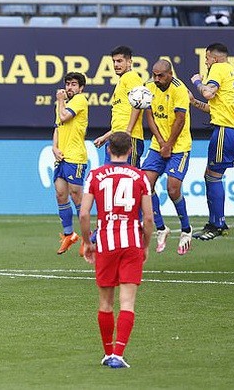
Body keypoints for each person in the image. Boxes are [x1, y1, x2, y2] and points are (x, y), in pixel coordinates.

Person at [79, 131, 154, 369]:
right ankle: (119, 354)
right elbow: (149, 218)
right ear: (131, 151)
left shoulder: (95, 175)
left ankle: (107, 352)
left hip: (106, 242)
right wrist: (146, 244)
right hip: (131, 241)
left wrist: (87, 242)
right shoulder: (140, 177)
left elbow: (83, 213)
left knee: (105, 303)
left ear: (108, 150)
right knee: (128, 303)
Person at [190, 42, 234, 240]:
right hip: (233, 130)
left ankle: (217, 224)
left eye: (206, 59)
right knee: (210, 175)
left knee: (213, 177)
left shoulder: (219, 68)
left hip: (225, 131)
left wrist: (197, 82)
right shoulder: (232, 72)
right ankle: (215, 222)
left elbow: (207, 92)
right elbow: (214, 106)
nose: (205, 63)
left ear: (214, 58)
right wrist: (193, 102)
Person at [142, 60, 193, 254]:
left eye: (160, 75)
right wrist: (161, 143)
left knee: (173, 189)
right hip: (158, 144)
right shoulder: (149, 87)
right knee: (146, 186)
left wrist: (169, 144)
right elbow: (150, 117)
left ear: (170, 74)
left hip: (179, 146)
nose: (156, 79)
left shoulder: (179, 89)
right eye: (154, 74)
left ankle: (186, 230)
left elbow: (180, 120)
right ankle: (162, 228)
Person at [53, 72, 89, 256]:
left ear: (81, 88)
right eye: (68, 84)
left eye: (74, 84)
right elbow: (58, 127)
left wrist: (60, 101)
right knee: (60, 194)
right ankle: (69, 234)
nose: (69, 87)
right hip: (62, 157)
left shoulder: (80, 100)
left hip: (76, 157)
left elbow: (64, 116)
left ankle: (87, 238)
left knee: (77, 197)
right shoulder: (62, 104)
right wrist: (54, 147)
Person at [94, 46, 145, 168]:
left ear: (129, 62)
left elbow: (138, 104)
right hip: (116, 137)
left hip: (128, 138)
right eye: (114, 61)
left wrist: (128, 132)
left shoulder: (131, 77)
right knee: (113, 178)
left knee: (129, 178)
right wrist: (106, 137)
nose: (116, 64)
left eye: (120, 61)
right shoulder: (122, 81)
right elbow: (122, 118)